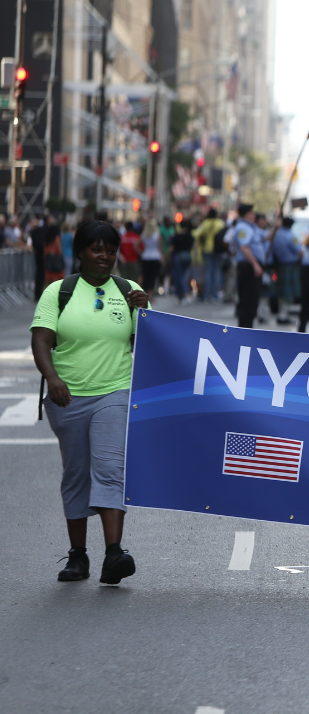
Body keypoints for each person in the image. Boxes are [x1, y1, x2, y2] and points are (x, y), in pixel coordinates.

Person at [30, 220, 151, 585]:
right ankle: (78, 556)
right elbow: (41, 339)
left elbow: (154, 343)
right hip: (67, 396)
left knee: (110, 467)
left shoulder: (130, 290)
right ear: (80, 252)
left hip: (115, 391)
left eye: (110, 250)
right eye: (96, 249)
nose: (104, 256)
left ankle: (114, 553)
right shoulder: (59, 292)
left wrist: (148, 310)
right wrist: (52, 378)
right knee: (77, 473)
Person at [233, 203, 266, 329]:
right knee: (248, 300)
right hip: (248, 267)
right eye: (252, 213)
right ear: (247, 214)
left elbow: (265, 237)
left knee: (252, 300)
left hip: (251, 266)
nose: (254, 215)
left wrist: (275, 228)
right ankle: (245, 328)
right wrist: (255, 264)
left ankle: (248, 326)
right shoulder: (243, 228)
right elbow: (244, 247)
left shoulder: (251, 228)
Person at [193, 209, 225, 302]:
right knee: (217, 272)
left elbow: (197, 234)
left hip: (207, 249)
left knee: (208, 272)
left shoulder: (205, 223)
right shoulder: (220, 223)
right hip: (217, 249)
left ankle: (207, 294)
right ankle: (215, 294)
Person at [169, 220, 195, 301]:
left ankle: (184, 293)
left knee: (179, 276)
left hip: (179, 256)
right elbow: (194, 246)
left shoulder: (177, 236)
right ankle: (184, 293)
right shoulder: (190, 236)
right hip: (187, 255)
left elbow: (172, 247)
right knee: (184, 275)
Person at [139, 218, 163, 296]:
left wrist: (141, 253)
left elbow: (135, 245)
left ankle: (145, 293)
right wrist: (162, 257)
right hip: (155, 257)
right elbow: (160, 247)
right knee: (153, 276)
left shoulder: (144, 234)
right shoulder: (156, 235)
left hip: (145, 257)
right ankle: (150, 294)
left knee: (146, 275)